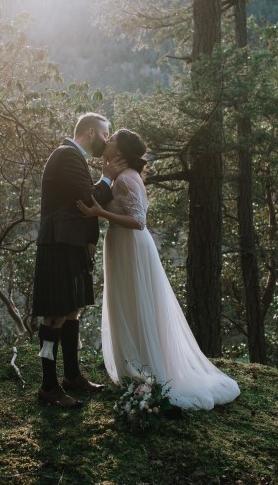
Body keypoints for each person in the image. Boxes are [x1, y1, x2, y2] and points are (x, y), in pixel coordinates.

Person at [77, 129, 240, 409]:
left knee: (138, 304)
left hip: (131, 246)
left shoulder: (128, 178)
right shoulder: (119, 175)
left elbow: (139, 220)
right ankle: (136, 365)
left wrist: (100, 214)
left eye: (112, 139)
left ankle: (148, 366)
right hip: (120, 244)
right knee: (127, 304)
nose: (106, 141)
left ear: (120, 150)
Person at [32, 112, 126, 408]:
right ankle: (48, 385)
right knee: (54, 315)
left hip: (70, 244)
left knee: (71, 311)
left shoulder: (74, 156)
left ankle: (72, 376)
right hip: (59, 244)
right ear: (90, 132)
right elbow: (87, 200)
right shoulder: (67, 156)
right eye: (105, 134)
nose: (108, 140)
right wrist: (108, 178)